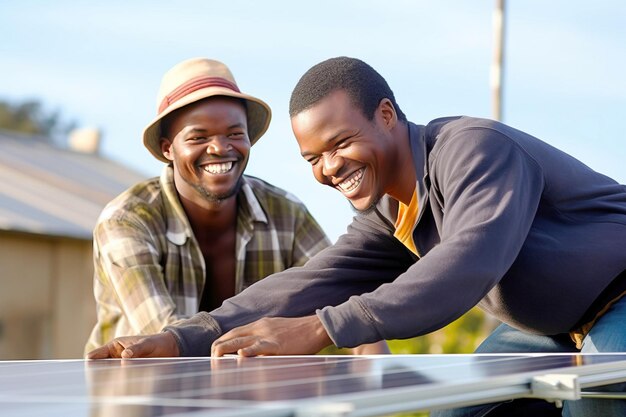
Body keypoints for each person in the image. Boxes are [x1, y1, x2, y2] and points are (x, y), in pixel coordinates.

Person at [89, 57, 626, 415]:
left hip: (617, 299)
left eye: (339, 143)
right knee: (463, 410)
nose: (328, 168)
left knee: (596, 399)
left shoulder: (474, 150)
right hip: (554, 326)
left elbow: (468, 262)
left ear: (386, 115)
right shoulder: (389, 210)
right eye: (313, 158)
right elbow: (317, 280)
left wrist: (323, 329)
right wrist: (187, 337)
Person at [85, 57, 389, 356]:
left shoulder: (286, 213)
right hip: (145, 398)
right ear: (168, 148)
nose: (220, 148)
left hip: (257, 395)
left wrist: (379, 381)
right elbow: (167, 341)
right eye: (198, 137)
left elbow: (341, 298)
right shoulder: (127, 221)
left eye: (234, 134)